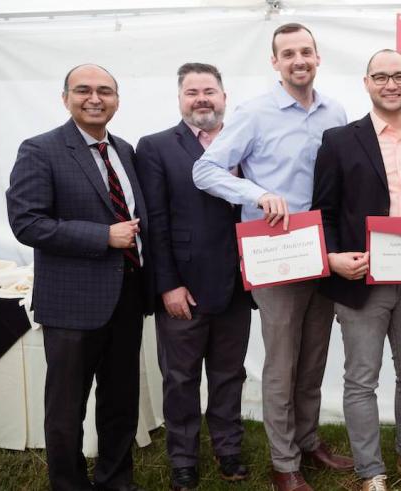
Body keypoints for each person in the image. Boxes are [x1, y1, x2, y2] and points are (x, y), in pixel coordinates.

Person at [192, 23, 353, 491]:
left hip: (323, 252)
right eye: (288, 53)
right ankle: (284, 464)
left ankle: (308, 441)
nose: (298, 60)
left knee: (313, 360)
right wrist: (256, 192)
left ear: (317, 58)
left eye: (305, 51)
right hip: (276, 252)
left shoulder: (335, 111)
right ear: (275, 62)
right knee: (282, 365)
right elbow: (204, 170)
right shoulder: (254, 113)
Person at [310, 49, 401, 491]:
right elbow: (324, 211)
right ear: (367, 83)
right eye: (381, 77)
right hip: (361, 281)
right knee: (361, 379)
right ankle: (370, 470)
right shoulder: (339, 141)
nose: (391, 84)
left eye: (399, 76)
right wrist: (333, 258)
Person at [7, 63, 151, 491]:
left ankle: (116, 481)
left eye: (105, 91)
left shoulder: (125, 150)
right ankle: (68, 484)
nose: (95, 98)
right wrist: (103, 236)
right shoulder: (40, 149)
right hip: (71, 304)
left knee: (120, 400)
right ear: (65, 98)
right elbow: (28, 223)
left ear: (117, 100)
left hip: (127, 297)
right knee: (67, 408)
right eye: (83, 90)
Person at [135, 62, 252, 491]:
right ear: (180, 99)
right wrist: (168, 284)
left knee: (229, 374)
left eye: (209, 91)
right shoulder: (156, 147)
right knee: (181, 378)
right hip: (184, 285)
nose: (202, 99)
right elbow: (155, 222)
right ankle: (183, 458)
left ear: (224, 96)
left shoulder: (246, 142)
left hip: (238, 283)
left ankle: (228, 448)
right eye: (192, 92)